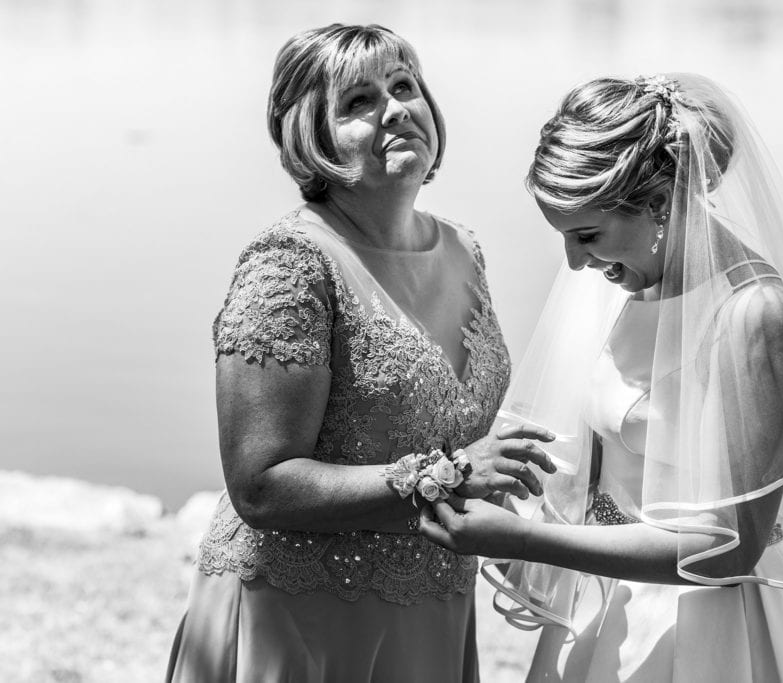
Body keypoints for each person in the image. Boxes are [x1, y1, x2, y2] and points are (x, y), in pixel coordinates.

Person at [419, 73, 783, 682]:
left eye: (587, 235)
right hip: (606, 602)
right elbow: (593, 468)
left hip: (710, 625)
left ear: (661, 203)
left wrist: (520, 541)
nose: (575, 262)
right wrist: (522, 503)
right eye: (565, 237)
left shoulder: (753, 315)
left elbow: (732, 545)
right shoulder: (615, 287)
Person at [165, 23, 556, 683]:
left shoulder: (465, 250)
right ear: (310, 136)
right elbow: (262, 484)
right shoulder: (289, 264)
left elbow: (462, 430)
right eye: (357, 103)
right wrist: (454, 475)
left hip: (430, 612)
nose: (396, 109)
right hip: (299, 617)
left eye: (404, 87)